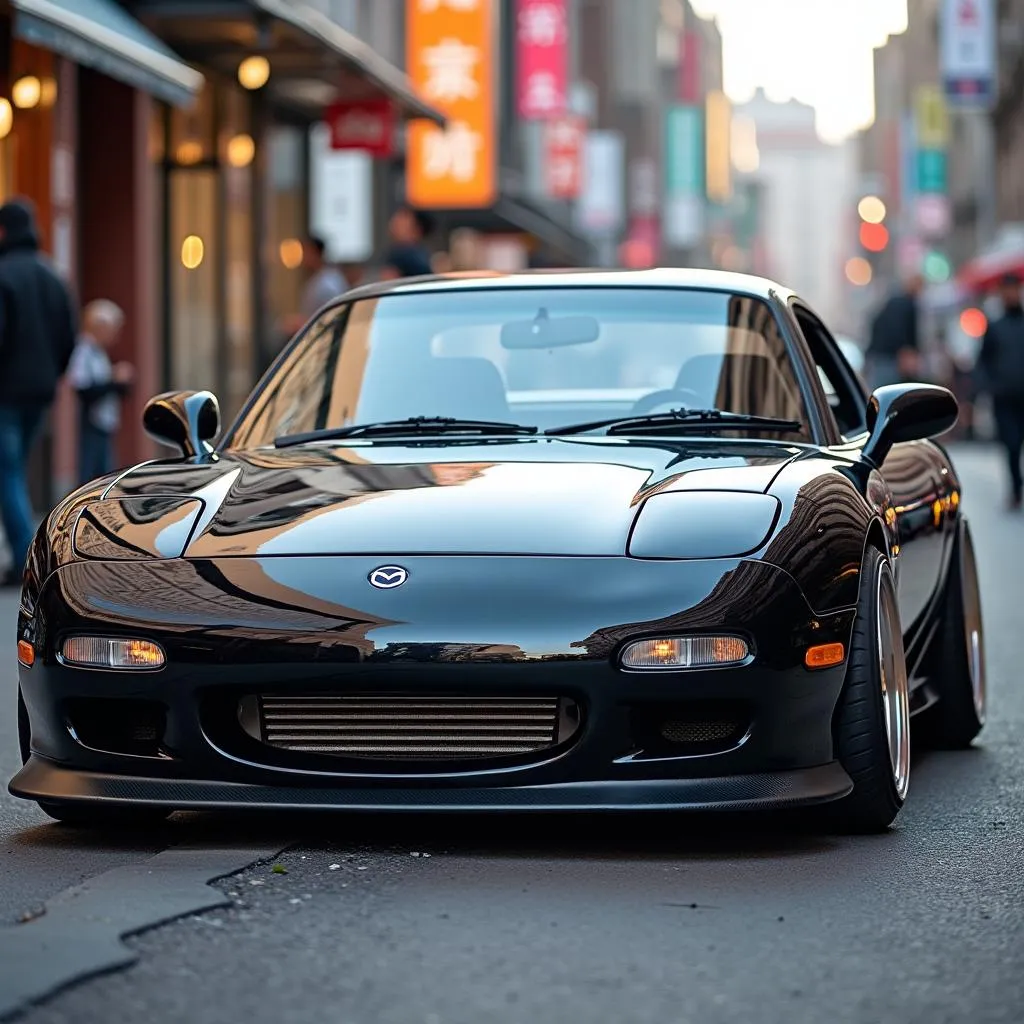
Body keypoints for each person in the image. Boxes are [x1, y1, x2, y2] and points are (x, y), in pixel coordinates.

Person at [0, 197, 76, 586]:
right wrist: (52, 374)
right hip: (40, 391)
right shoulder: (52, 276)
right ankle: (26, 553)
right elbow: (68, 336)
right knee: (14, 470)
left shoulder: (4, 275)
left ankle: (25, 559)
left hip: (7, 392)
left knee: (7, 473)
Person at [68, 299, 134, 485]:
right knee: (93, 477)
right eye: (113, 329)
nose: (115, 335)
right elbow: (83, 389)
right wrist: (113, 381)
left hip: (104, 422)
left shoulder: (99, 352)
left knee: (104, 475)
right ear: (100, 326)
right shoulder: (84, 351)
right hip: (92, 422)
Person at [975, 272, 1024, 509]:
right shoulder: (994, 327)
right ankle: (1016, 488)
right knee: (1012, 445)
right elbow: (983, 361)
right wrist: (986, 387)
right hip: (1004, 397)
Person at [279, 236, 347, 337]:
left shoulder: (328, 283)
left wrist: (301, 324)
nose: (303, 257)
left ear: (315, 253)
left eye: (305, 252)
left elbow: (332, 319)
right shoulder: (317, 279)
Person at [865, 272, 923, 391]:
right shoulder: (908, 305)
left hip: (879, 355)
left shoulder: (892, 301)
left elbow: (875, 323)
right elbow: (905, 333)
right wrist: (905, 353)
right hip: (892, 358)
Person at [381, 205, 435, 279]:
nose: (394, 221)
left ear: (417, 229)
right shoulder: (423, 255)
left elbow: (388, 281)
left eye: (402, 218)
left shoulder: (402, 255)